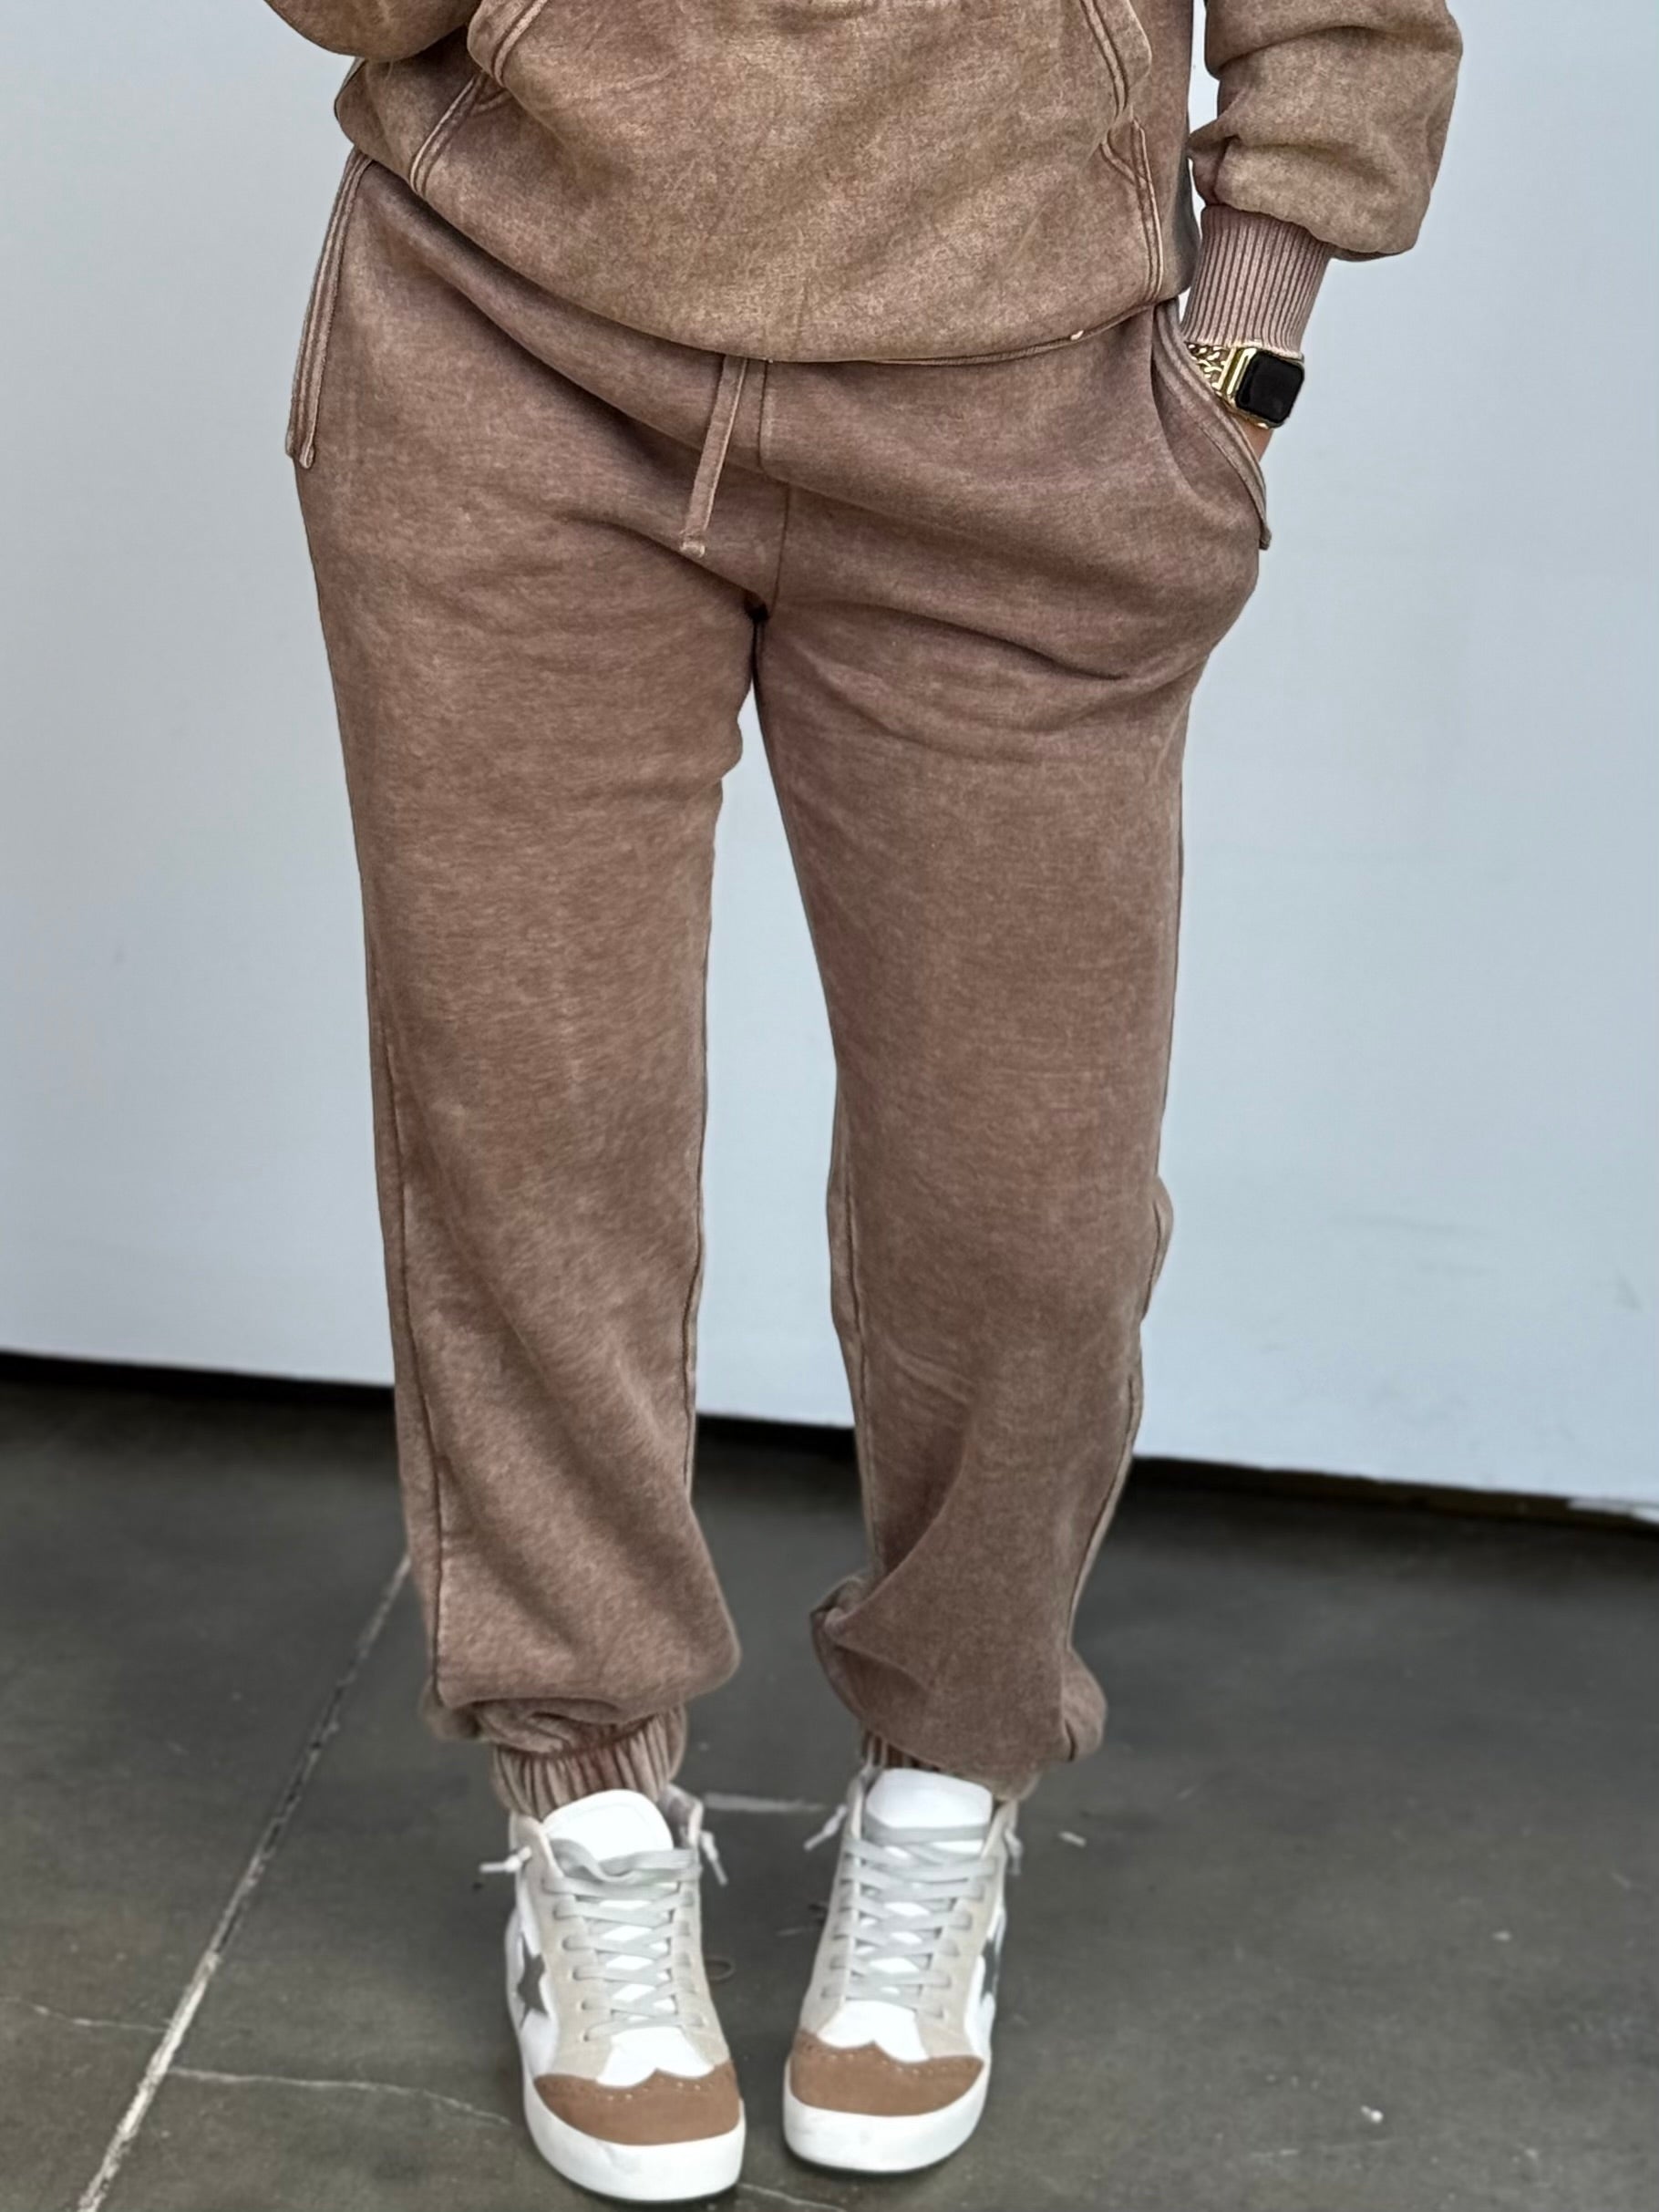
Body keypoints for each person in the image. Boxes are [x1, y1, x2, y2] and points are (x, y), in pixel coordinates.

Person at [262, 0, 1461, 2196]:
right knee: (531, 1143)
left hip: (1023, 422)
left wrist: (1241, 357)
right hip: (505, 359)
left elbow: (1351, 22)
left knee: (1026, 1207)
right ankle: (584, 1806)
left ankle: (950, 1774)